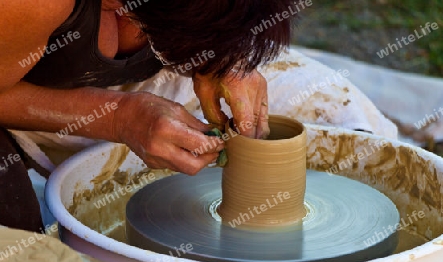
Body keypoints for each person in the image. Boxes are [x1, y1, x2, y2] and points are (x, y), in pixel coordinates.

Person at [0, 0, 298, 231]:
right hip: (22, 98)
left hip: (133, 83)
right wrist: (119, 118)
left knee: (334, 105)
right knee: (21, 244)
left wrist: (224, 56)